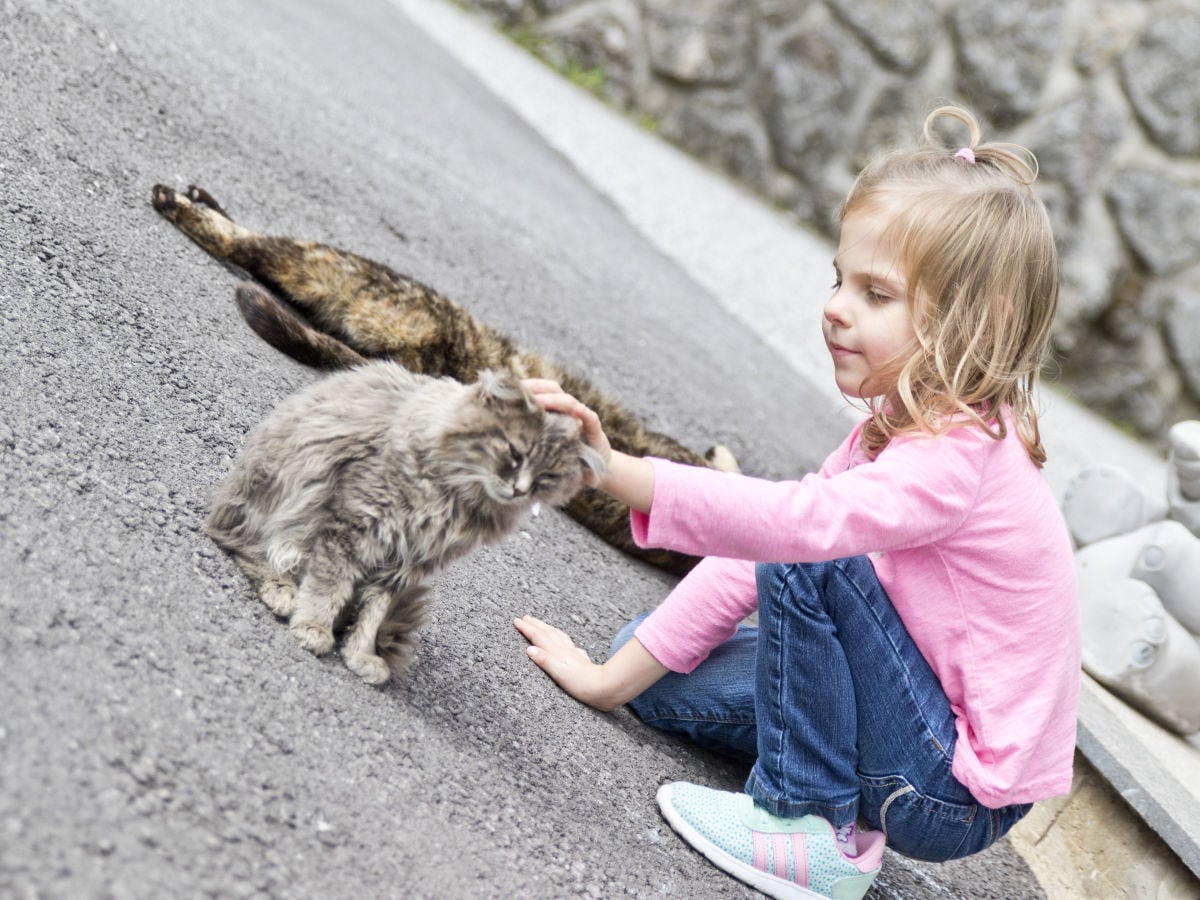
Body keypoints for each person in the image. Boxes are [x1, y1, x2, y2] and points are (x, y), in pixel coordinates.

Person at [513, 104, 1080, 900]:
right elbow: (752, 556)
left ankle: (808, 828)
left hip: (945, 789)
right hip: (914, 727)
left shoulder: (959, 461)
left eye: (876, 294)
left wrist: (615, 471)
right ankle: (824, 776)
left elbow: (794, 531)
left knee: (811, 548)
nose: (836, 308)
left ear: (976, 326)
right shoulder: (899, 429)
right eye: (839, 279)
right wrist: (610, 683)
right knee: (657, 667)